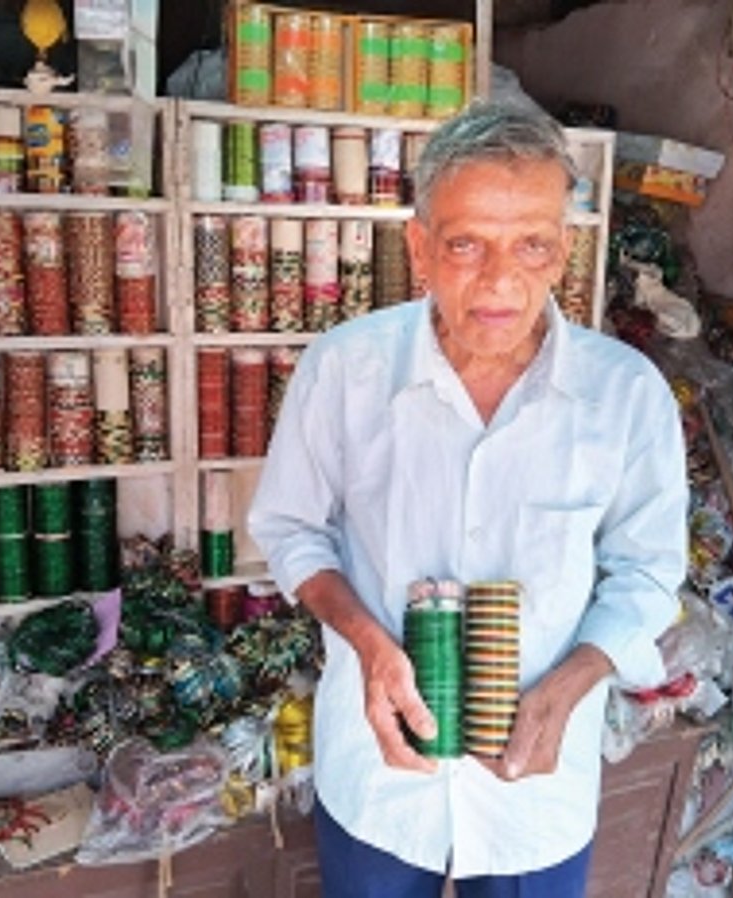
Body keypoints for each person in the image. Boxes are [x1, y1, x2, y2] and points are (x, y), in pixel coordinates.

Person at [247, 100, 688, 898]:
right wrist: (367, 643)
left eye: (532, 244)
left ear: (564, 249)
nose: (500, 281)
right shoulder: (345, 370)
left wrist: (578, 676)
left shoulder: (627, 395)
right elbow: (291, 530)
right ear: (418, 246)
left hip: (535, 797)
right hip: (381, 780)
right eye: (465, 244)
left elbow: (648, 574)